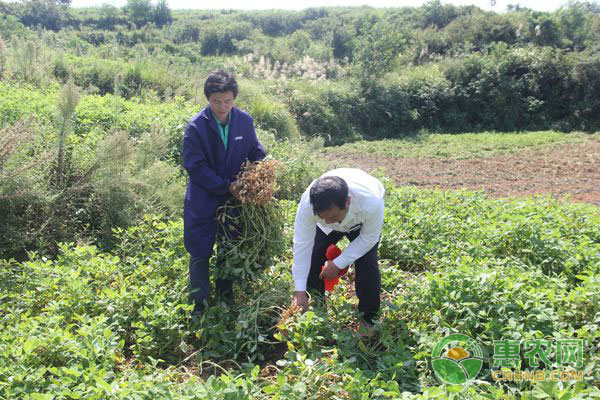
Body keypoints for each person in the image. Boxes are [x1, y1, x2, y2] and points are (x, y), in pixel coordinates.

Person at [182, 70, 265, 314]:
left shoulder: (244, 122)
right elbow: (195, 167)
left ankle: (225, 296)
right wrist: (225, 185)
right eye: (216, 101)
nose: (222, 107)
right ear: (208, 99)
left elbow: (255, 152)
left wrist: (258, 174)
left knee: (229, 248)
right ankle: (199, 303)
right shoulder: (196, 127)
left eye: (227, 101)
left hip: (233, 201)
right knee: (200, 251)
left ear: (234, 98)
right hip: (203, 198)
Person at [291, 168, 385, 336]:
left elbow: (368, 239)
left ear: (348, 201)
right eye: (322, 217)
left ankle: (369, 319)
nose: (328, 222)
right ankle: (314, 306)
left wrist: (339, 263)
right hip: (329, 221)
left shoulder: (371, 202)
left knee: (367, 263)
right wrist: (299, 290)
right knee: (313, 254)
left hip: (359, 224)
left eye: (332, 217)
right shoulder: (308, 205)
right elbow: (302, 244)